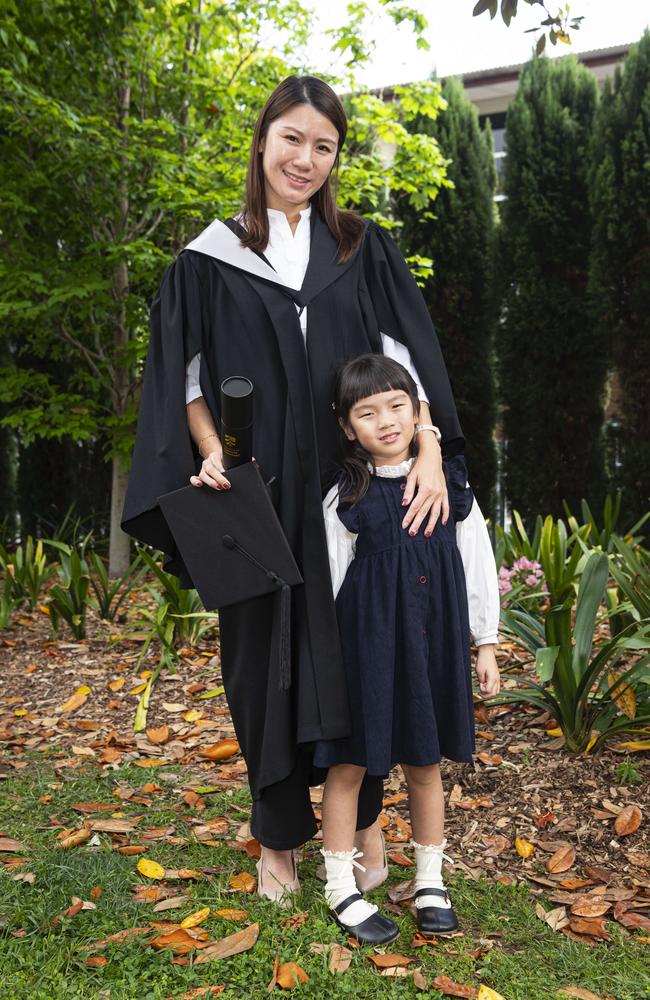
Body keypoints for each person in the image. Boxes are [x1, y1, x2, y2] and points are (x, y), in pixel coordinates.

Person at [121, 75, 467, 906]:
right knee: (260, 664)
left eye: (324, 146)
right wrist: (210, 459)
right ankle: (278, 836)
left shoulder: (361, 249)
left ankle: (369, 823)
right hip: (260, 498)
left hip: (355, 493)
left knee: (366, 652)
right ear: (263, 139)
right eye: (292, 139)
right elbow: (189, 380)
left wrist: (425, 445)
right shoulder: (208, 261)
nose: (305, 159)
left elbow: (405, 359)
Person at [314, 354, 500, 944]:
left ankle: (429, 878)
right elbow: (330, 580)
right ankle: (340, 884)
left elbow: (477, 566)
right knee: (348, 765)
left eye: (397, 406)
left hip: (432, 646)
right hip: (363, 650)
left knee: (425, 762)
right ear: (348, 427)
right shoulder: (345, 496)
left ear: (416, 412)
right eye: (366, 413)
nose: (385, 421)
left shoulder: (453, 487)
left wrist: (486, 643)